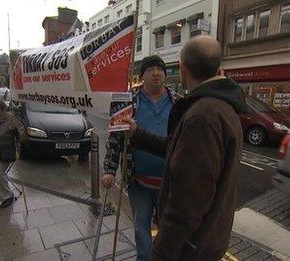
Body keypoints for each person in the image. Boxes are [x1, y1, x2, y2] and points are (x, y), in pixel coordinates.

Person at [123, 36, 246, 260]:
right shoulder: (222, 107)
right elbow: (174, 148)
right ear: (219, 68)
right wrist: (138, 135)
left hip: (192, 246)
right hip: (208, 237)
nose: (156, 74)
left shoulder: (202, 116)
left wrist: (160, 253)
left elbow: (187, 202)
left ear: (182, 69)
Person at [102, 55, 179, 261]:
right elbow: (115, 137)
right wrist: (109, 169)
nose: (156, 73)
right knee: (142, 232)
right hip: (139, 184)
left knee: (169, 233)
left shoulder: (179, 103)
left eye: (160, 69)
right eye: (150, 69)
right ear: (141, 75)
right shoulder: (128, 102)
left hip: (170, 185)